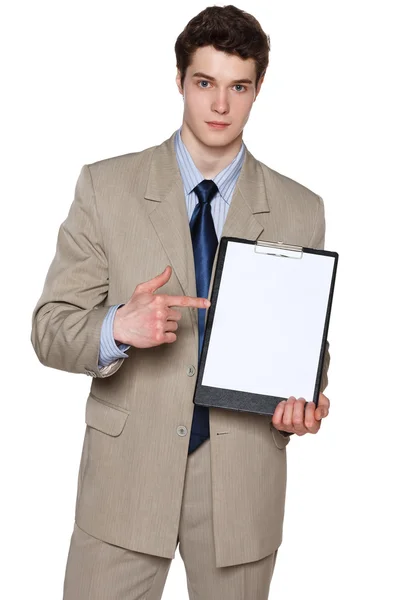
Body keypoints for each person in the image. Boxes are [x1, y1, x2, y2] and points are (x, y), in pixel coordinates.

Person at [31, 5, 331, 599]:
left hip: (242, 483)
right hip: (126, 480)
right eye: (205, 83)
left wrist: (306, 396)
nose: (220, 106)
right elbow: (49, 327)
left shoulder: (301, 209)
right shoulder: (105, 187)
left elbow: (306, 340)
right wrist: (118, 326)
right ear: (179, 81)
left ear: (257, 89)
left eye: (237, 87)